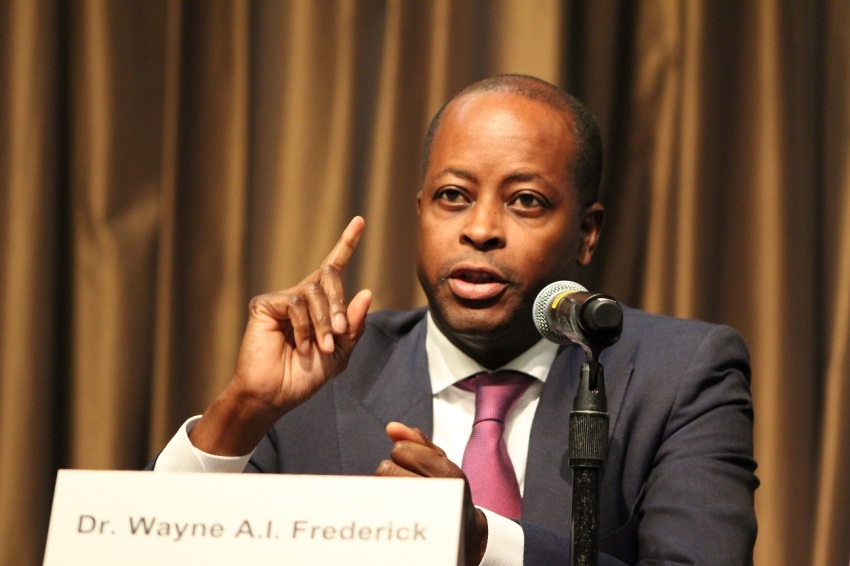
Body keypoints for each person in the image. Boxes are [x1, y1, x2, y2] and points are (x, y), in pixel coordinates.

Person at [151, 74, 758, 565]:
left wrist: (483, 543)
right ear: (420, 213)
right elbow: (150, 553)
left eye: (525, 201)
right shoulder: (323, 370)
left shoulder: (679, 376)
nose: (480, 228)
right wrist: (242, 410)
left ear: (587, 233)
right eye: (453, 196)